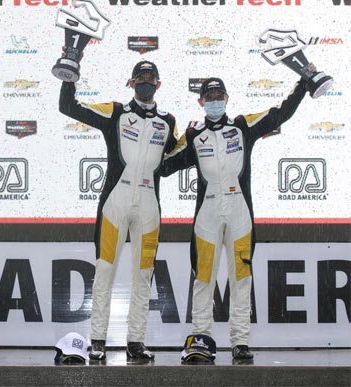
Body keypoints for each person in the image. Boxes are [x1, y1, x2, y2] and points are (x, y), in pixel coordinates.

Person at [162, 70, 315, 362]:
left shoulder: (243, 126)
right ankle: (201, 339)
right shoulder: (194, 134)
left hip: (239, 213)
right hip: (206, 215)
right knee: (203, 279)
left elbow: (279, 115)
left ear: (227, 99)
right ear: (201, 101)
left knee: (241, 278)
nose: (215, 101)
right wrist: (166, 130)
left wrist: (302, 87)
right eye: (210, 97)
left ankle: (240, 342)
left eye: (219, 97)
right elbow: (167, 164)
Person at [59, 60, 180, 361]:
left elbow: (173, 162)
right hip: (115, 201)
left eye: (151, 77)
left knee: (143, 275)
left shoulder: (168, 121)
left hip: (150, 204)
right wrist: (69, 71)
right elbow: (68, 107)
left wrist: (194, 137)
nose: (146, 82)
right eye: (140, 77)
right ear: (131, 83)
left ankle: (135, 342)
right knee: (104, 272)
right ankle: (98, 339)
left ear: (159, 84)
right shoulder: (115, 112)